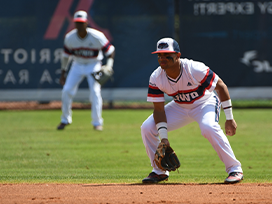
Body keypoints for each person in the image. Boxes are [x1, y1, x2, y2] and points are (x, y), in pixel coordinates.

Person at [141, 37, 243, 184]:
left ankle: (235, 168)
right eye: (159, 55)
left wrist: (229, 118)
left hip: (204, 103)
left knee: (208, 127)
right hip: (179, 107)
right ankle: (159, 172)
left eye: (167, 55)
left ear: (177, 55)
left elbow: (221, 87)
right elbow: (158, 110)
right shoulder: (156, 77)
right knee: (147, 128)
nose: (162, 58)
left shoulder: (194, 68)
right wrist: (164, 138)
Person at [57, 10, 115, 131]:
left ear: (86, 23)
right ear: (74, 23)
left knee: (95, 92)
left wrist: (109, 65)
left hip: (93, 64)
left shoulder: (96, 36)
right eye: (77, 23)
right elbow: (66, 56)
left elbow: (110, 51)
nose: (79, 25)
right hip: (77, 64)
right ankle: (65, 119)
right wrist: (63, 72)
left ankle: (97, 122)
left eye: (81, 22)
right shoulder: (70, 37)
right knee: (67, 90)